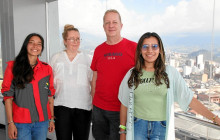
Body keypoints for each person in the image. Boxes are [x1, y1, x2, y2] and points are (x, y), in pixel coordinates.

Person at [118, 32, 220, 140]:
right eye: (145, 46)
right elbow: (124, 104)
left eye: (154, 46)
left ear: (160, 50)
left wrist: (215, 118)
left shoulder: (170, 73)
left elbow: (189, 99)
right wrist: (123, 131)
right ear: (140, 50)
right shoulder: (132, 74)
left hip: (161, 128)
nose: (150, 50)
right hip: (137, 126)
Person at [90, 9, 137, 140]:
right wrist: (93, 103)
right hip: (99, 109)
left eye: (115, 22)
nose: (111, 25)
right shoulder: (98, 50)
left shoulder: (134, 48)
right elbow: (95, 78)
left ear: (121, 25)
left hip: (122, 110)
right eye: (107, 22)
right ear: (103, 26)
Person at [1, 33, 55, 140]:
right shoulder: (13, 67)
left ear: (42, 48)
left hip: (42, 121)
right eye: (32, 43)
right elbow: (8, 97)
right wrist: (10, 123)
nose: (35, 46)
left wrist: (52, 119)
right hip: (21, 122)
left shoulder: (47, 69)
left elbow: (50, 96)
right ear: (26, 45)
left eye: (39, 44)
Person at [49, 24, 92, 140]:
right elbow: (49, 86)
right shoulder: (56, 58)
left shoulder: (88, 59)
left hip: (84, 107)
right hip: (61, 107)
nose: (75, 41)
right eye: (72, 38)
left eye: (78, 38)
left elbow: (93, 83)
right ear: (64, 41)